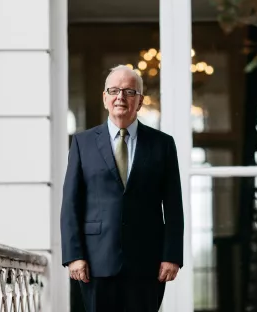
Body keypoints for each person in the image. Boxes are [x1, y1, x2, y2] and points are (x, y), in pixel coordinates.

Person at [60, 65, 184, 312]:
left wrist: (172, 256)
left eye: (129, 91)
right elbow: (71, 203)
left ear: (140, 101)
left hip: (147, 262)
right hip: (95, 262)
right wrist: (74, 256)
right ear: (105, 97)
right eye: (114, 90)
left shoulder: (163, 145)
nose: (120, 97)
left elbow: (173, 206)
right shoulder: (83, 144)